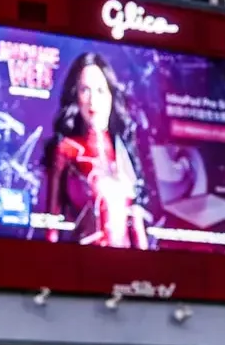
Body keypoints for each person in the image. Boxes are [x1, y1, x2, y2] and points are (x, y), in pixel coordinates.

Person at [40, 52, 150, 250]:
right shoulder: (66, 149)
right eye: (85, 90)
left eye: (100, 90)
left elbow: (137, 225)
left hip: (128, 269)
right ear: (76, 96)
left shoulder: (123, 150)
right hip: (82, 266)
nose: (93, 100)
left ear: (110, 95)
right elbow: (52, 223)